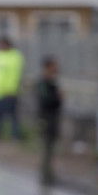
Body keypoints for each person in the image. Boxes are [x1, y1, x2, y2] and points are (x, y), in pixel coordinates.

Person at [0, 35, 25, 140]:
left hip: (9, 92)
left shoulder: (15, 56)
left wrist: (11, 89)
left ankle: (15, 135)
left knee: (12, 115)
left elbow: (15, 75)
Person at [36, 56, 63, 185]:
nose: (56, 68)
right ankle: (45, 175)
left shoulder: (53, 82)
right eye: (53, 66)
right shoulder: (43, 83)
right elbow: (45, 101)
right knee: (47, 148)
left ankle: (49, 174)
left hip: (53, 119)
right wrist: (58, 97)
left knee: (51, 148)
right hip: (46, 119)